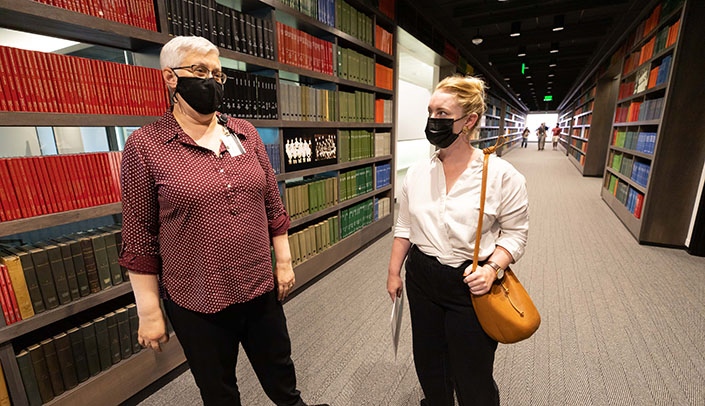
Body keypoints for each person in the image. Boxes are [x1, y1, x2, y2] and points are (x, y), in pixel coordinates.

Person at [119, 36, 328, 406]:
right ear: (170, 78)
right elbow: (139, 234)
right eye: (199, 71)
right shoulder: (145, 145)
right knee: (218, 391)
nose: (211, 80)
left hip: (259, 284)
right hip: (197, 296)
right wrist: (149, 311)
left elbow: (271, 202)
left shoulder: (244, 132)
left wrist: (284, 261)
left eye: (217, 73)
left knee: (281, 374)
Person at [386, 74, 529, 406]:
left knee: (472, 372)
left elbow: (515, 234)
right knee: (429, 365)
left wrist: (493, 268)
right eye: (430, 111)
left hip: (472, 281)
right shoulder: (418, 173)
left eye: (442, 114)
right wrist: (394, 273)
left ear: (470, 121)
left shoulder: (501, 176)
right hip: (422, 278)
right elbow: (404, 227)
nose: (433, 120)